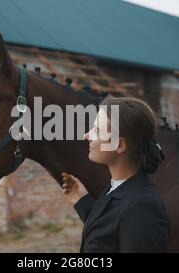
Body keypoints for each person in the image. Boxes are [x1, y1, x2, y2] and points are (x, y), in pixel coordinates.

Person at [62, 96, 170, 253]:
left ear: (119, 145)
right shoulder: (117, 187)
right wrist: (81, 200)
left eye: (97, 131)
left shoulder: (143, 209)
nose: (87, 135)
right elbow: (108, 233)